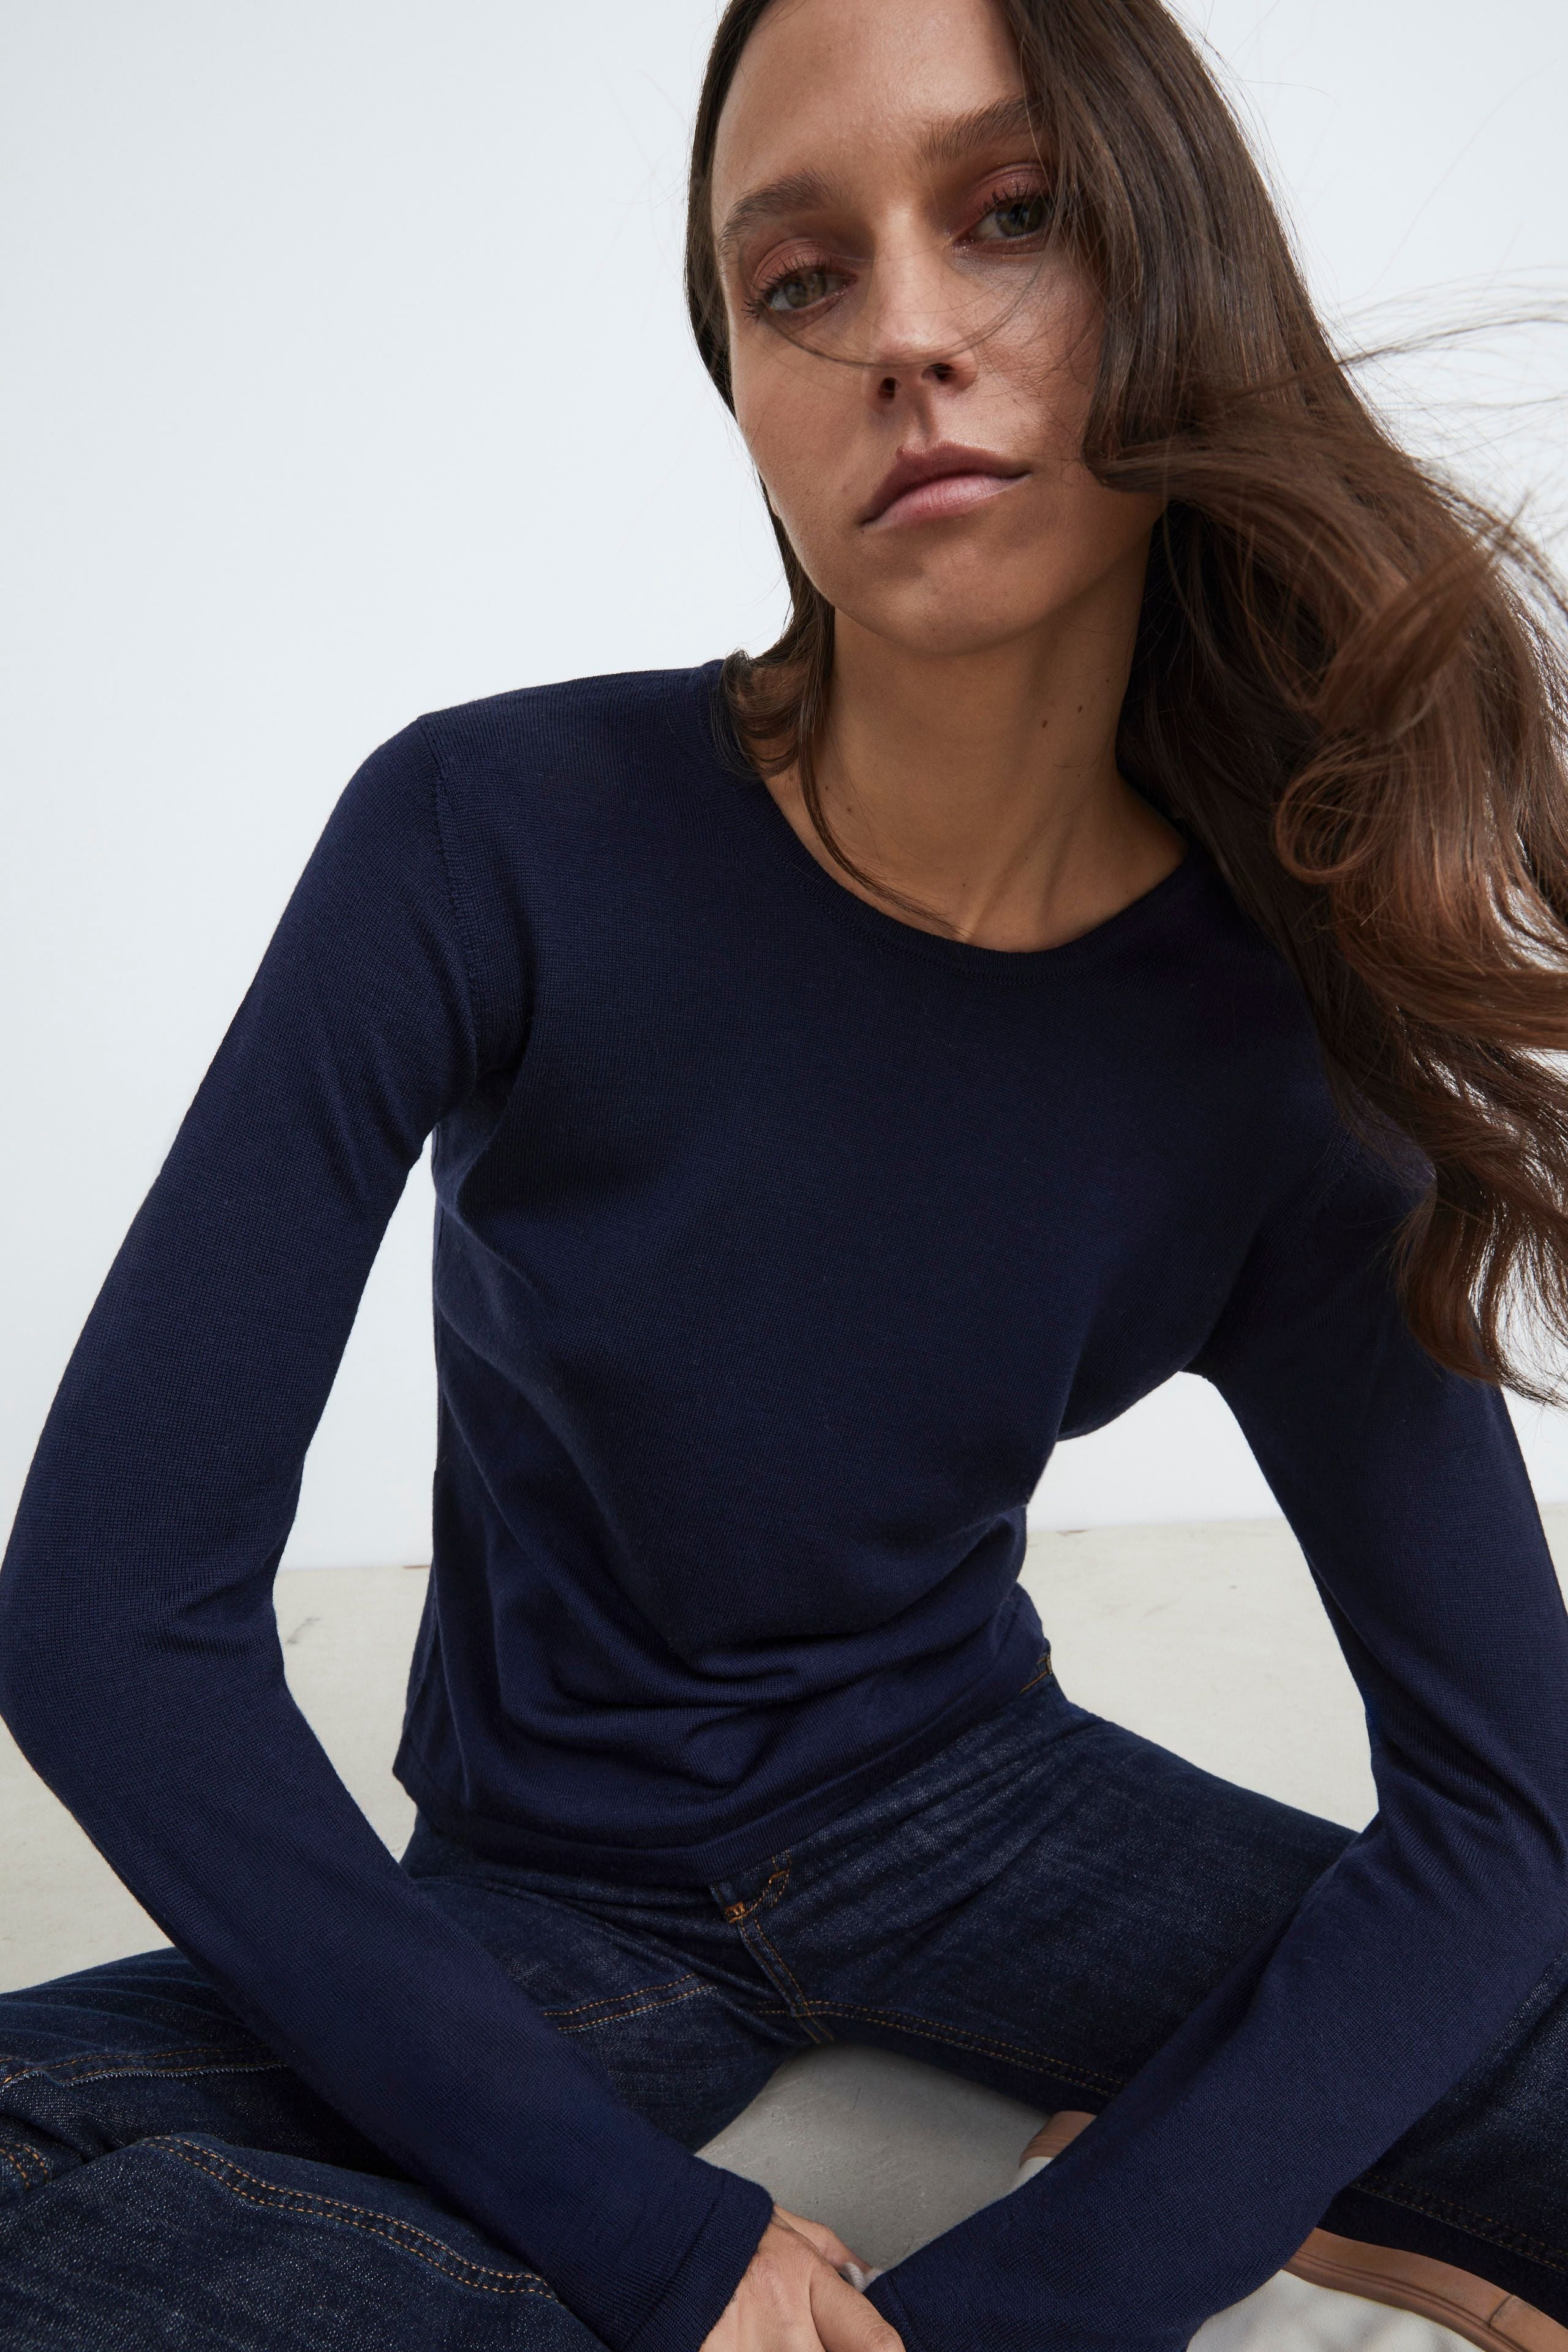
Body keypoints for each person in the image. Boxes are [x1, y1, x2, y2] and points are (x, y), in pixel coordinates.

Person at [3, 0, 1568, 2346]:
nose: (906, 335)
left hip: (982, 1816)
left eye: (1012, 215)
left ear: (1178, 275)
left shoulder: (1272, 1042)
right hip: (558, 1901)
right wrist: (651, 2248)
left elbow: (1509, 1809)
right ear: (742, 388)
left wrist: (1063, 2289)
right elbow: (109, 1619)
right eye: (800, 279)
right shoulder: (489, 839)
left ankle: (1169, 2151)